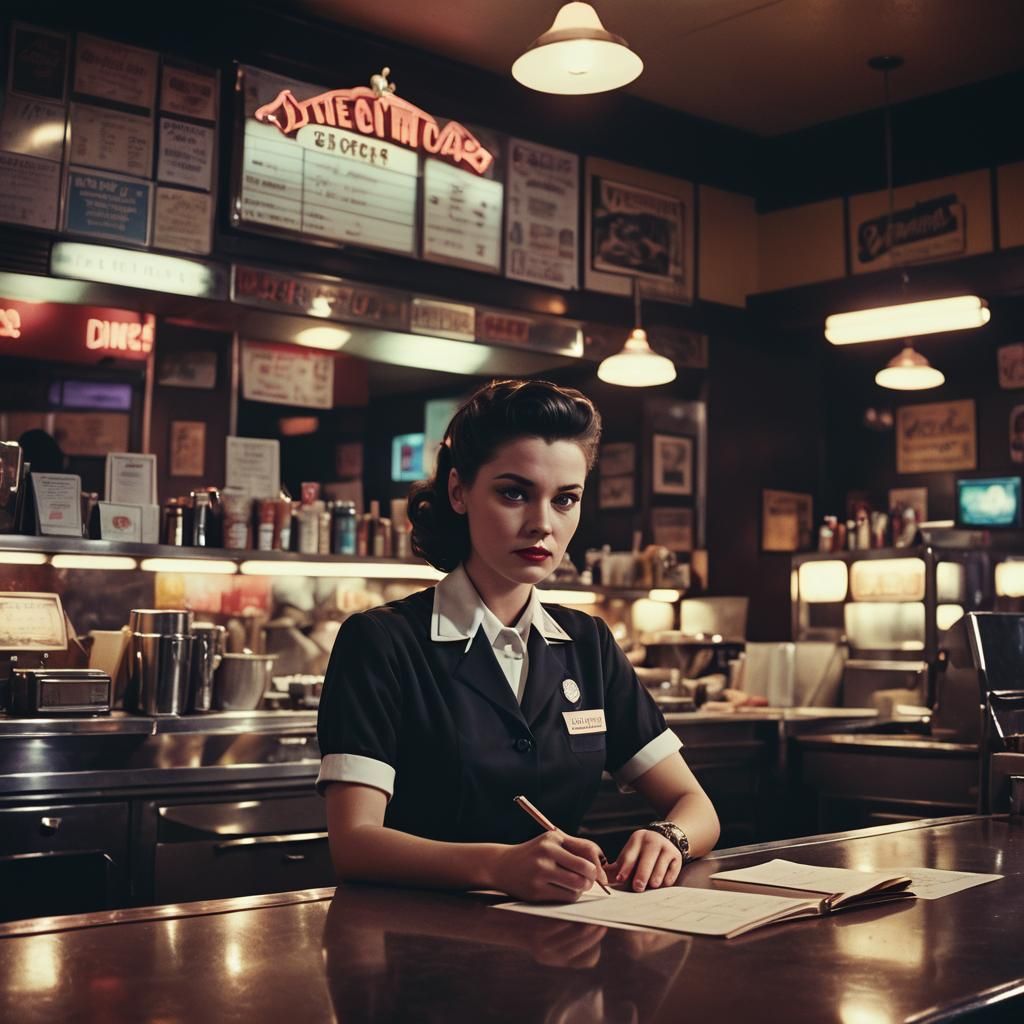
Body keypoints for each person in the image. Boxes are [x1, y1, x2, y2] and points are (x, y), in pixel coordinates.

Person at [317, 379, 719, 903]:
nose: (542, 524)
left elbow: (695, 805)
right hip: (418, 949)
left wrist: (670, 837)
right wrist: (499, 865)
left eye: (565, 499)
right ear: (459, 491)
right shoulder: (381, 642)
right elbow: (354, 844)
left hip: (564, 947)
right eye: (514, 493)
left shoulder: (587, 642)